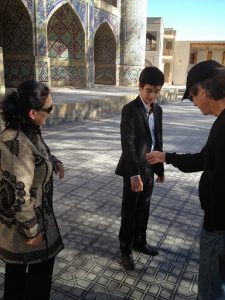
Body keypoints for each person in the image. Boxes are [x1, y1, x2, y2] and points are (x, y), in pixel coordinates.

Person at [146, 60, 225, 300]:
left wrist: (212, 223)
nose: (193, 103)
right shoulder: (221, 123)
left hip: (219, 228)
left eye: (192, 97)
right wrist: (168, 157)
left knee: (211, 290)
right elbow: (204, 159)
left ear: (201, 91)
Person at [0, 80, 64, 300]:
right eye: (48, 110)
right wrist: (32, 231)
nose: (50, 113)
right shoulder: (15, 142)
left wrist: (53, 161)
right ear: (32, 112)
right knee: (29, 281)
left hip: (37, 219)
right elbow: (18, 194)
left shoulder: (30, 129)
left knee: (19, 277)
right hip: (25, 230)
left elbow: (38, 153)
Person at [115, 66, 165, 270]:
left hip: (150, 168)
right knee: (130, 209)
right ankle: (125, 249)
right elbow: (127, 144)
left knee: (144, 207)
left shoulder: (158, 110)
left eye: (156, 91)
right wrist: (134, 174)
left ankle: (140, 242)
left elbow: (158, 140)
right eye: (149, 91)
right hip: (133, 169)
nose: (152, 96)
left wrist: (160, 169)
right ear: (140, 87)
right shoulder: (130, 109)